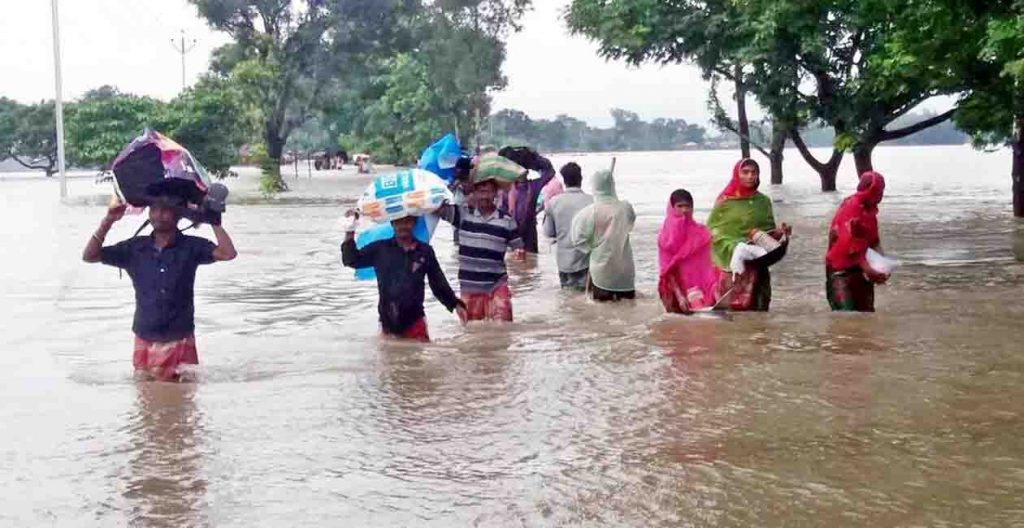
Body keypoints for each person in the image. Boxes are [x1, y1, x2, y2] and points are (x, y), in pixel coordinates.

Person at [81, 181, 237, 382]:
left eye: (165, 210)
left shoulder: (191, 247)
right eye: (154, 209)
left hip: (180, 336)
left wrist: (214, 221)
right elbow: (90, 256)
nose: (158, 215)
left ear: (178, 216)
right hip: (145, 335)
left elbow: (228, 253)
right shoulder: (134, 249)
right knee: (146, 399)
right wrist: (108, 221)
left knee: (183, 399)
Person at [341, 212, 466, 341]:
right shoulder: (380, 249)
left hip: (415, 322)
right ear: (392, 224)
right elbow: (351, 260)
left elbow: (437, 282)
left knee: (417, 358)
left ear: (414, 223)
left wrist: (455, 304)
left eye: (407, 221)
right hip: (387, 323)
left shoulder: (424, 251)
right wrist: (350, 230)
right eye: (399, 222)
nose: (403, 226)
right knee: (389, 358)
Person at [707, 159, 791, 311]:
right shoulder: (725, 202)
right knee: (732, 316)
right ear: (737, 175)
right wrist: (735, 246)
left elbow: (768, 232)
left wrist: (780, 233)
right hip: (731, 264)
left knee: (760, 314)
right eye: (745, 172)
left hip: (758, 264)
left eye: (754, 173)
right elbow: (714, 233)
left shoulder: (763, 201)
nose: (750, 176)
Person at [439, 179, 525, 321]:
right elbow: (437, 208)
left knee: (504, 329)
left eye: (489, 192)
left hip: (497, 285)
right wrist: (456, 183)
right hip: (470, 286)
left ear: (496, 193)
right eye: (481, 192)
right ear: (474, 193)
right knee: (472, 331)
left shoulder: (507, 220)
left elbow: (519, 249)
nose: (485, 196)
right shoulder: (462, 215)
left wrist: (519, 254)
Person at [826, 171, 889, 312]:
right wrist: (868, 268)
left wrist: (883, 266)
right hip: (841, 271)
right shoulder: (852, 207)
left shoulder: (870, 212)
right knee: (846, 316)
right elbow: (849, 243)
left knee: (865, 316)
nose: (881, 195)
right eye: (879, 190)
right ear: (871, 190)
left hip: (861, 271)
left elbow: (874, 241)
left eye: (883, 190)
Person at [570, 169, 636, 301]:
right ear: (613, 185)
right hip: (625, 273)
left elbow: (577, 240)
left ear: (594, 187)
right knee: (627, 312)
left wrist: (594, 248)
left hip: (601, 273)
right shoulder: (626, 208)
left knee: (602, 313)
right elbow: (630, 223)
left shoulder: (588, 213)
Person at [657, 189, 720, 313]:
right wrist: (680, 296)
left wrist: (715, 290)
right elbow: (667, 270)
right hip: (674, 286)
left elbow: (708, 265)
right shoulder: (665, 237)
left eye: (688, 206)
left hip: (698, 285)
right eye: (680, 206)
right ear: (672, 208)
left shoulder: (701, 233)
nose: (684, 210)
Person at [542, 162, 593, 290]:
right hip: (586, 261)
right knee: (585, 300)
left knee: (568, 300)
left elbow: (548, 232)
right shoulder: (592, 201)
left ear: (564, 181)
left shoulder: (554, 203)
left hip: (564, 263)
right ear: (580, 179)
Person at [498, 146, 556, 253]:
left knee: (530, 265)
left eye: (522, 167)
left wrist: (533, 157)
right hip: (510, 237)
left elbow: (550, 171)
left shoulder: (534, 186)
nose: (520, 170)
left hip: (529, 237)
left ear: (528, 170)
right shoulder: (506, 188)